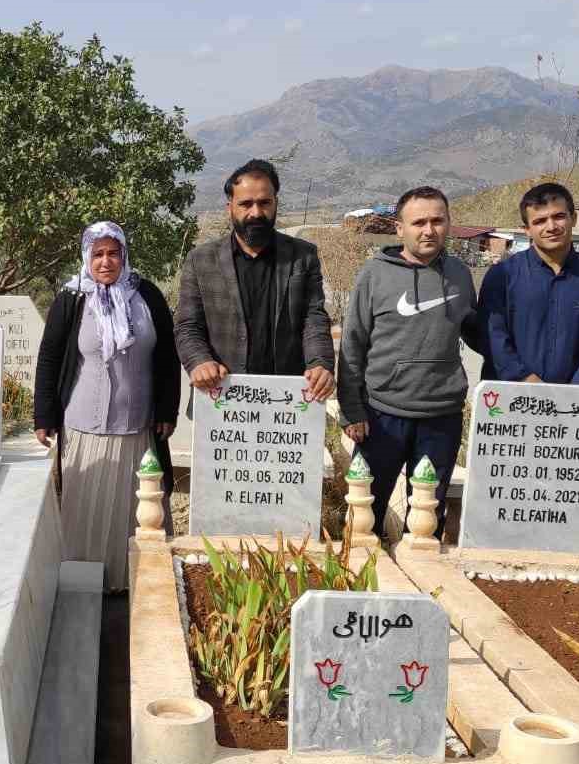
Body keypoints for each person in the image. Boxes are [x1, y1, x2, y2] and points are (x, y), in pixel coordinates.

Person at [33, 222, 179, 591]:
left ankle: (134, 583)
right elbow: (50, 356)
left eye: (113, 253)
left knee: (136, 509)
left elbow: (166, 357)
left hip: (137, 429)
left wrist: (167, 410)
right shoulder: (72, 297)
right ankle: (81, 581)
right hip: (84, 427)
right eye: (97, 254)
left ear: (125, 255)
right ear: (86, 257)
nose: (106, 261)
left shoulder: (146, 295)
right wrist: (44, 415)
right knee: (84, 512)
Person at [336, 185, 481, 539]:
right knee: (363, 517)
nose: (428, 230)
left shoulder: (460, 276)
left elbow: (476, 331)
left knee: (426, 522)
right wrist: (352, 410)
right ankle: (360, 587)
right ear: (400, 228)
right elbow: (353, 344)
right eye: (418, 222)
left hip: (440, 417)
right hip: (381, 417)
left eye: (437, 220)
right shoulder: (374, 274)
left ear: (448, 224)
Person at [174, 158, 336, 405]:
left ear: (276, 203)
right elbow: (187, 325)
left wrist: (320, 364)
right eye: (246, 204)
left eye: (264, 203)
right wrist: (199, 361)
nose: (256, 213)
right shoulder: (201, 260)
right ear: (230, 207)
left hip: (286, 405)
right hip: (220, 401)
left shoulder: (303, 256)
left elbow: (313, 317)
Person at [480, 180, 579, 385]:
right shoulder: (502, 275)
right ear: (526, 229)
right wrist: (527, 380)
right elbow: (493, 336)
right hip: (510, 399)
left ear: (573, 218)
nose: (551, 227)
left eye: (559, 216)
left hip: (572, 403)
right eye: (540, 221)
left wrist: (573, 393)